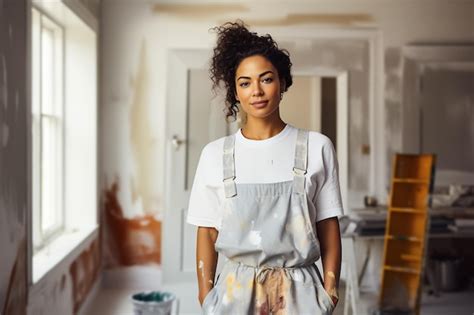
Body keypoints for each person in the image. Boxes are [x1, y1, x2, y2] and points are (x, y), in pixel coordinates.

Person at [186, 20, 343, 314]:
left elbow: (328, 224)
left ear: (282, 83)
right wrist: (206, 297)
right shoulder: (214, 155)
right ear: (235, 92)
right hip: (234, 294)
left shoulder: (317, 147)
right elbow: (207, 231)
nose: (256, 90)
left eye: (266, 79)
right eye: (245, 83)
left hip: (302, 296)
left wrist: (329, 293)